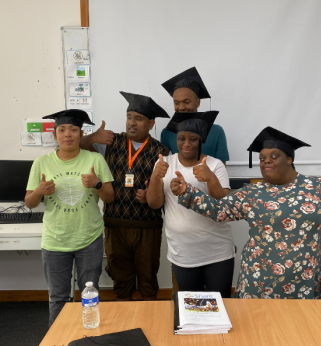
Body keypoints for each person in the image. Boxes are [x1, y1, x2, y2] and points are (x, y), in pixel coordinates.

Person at [172, 126, 321, 299]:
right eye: (262, 158)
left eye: (273, 156)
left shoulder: (318, 189)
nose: (266, 161)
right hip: (258, 283)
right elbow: (219, 210)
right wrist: (186, 191)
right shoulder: (253, 193)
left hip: (305, 283)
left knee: (301, 325)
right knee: (257, 324)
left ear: (289, 159)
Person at [25, 110, 114, 326]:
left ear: (80, 134)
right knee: (58, 298)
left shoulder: (95, 159)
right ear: (55, 135)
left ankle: (90, 337)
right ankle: (58, 342)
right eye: (62, 130)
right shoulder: (41, 163)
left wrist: (97, 184)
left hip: (89, 238)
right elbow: (30, 202)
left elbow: (110, 197)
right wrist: (39, 191)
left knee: (90, 296)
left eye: (73, 130)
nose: (68, 134)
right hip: (55, 241)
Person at [80, 92, 170, 301]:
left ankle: (151, 326)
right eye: (129, 117)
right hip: (115, 225)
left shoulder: (161, 151)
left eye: (138, 119)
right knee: (121, 282)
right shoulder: (111, 142)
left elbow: (167, 191)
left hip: (147, 226)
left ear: (150, 123)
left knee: (148, 281)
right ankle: (124, 329)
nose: (132, 123)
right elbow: (75, 146)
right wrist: (92, 137)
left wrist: (151, 195)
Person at [146, 111, 235, 298]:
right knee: (191, 308)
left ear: (201, 140)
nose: (186, 144)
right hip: (183, 251)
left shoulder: (215, 164)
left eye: (193, 139)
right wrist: (155, 177)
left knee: (221, 304)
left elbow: (224, 204)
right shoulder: (164, 163)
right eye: (181, 138)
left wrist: (210, 178)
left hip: (217, 250)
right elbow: (154, 204)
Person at [160, 67, 229, 164]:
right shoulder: (167, 133)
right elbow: (166, 166)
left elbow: (222, 168)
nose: (181, 107)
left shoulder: (216, 132)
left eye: (186, 102)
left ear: (198, 102)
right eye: (176, 103)